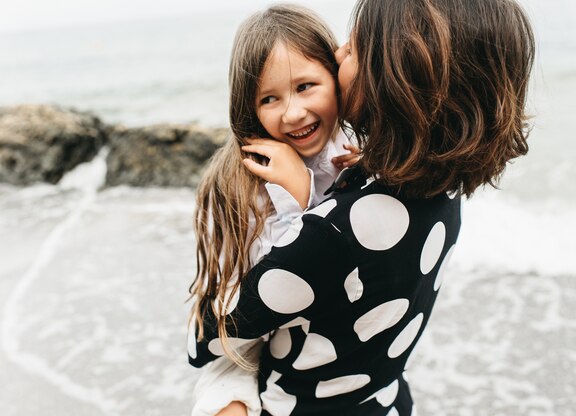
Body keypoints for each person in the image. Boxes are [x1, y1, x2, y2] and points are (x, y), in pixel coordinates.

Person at [189, 0, 535, 414]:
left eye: (353, 50)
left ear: (394, 75)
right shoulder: (438, 189)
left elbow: (207, 339)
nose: (338, 54)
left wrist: (301, 209)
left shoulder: (334, 227)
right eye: (269, 98)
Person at [187, 5, 359, 416]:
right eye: (269, 98)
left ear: (336, 79)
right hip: (247, 352)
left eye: (306, 86)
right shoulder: (241, 190)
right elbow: (251, 309)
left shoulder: (353, 150)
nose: (293, 113)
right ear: (248, 108)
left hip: (338, 360)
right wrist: (298, 204)